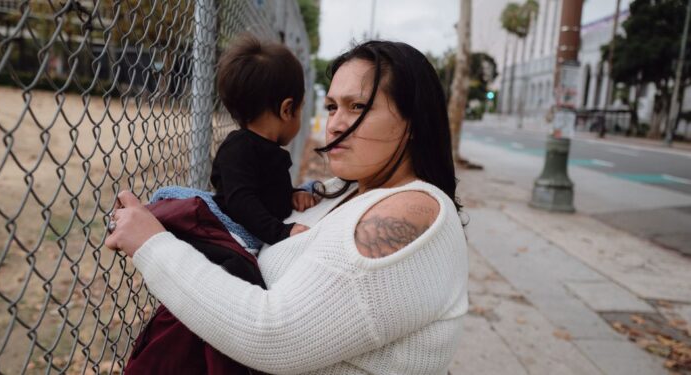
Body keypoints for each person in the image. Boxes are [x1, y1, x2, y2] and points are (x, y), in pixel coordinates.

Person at [106, 40, 468, 374]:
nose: (336, 124)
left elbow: (273, 334)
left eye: (358, 106)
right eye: (331, 106)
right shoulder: (345, 192)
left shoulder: (409, 211)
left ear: (414, 122)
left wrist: (153, 245)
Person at [150, 34, 316, 250]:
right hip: (233, 237)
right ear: (287, 109)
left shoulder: (269, 150)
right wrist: (282, 233)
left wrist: (293, 195)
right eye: (301, 108)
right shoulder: (238, 149)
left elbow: (268, 193)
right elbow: (241, 202)